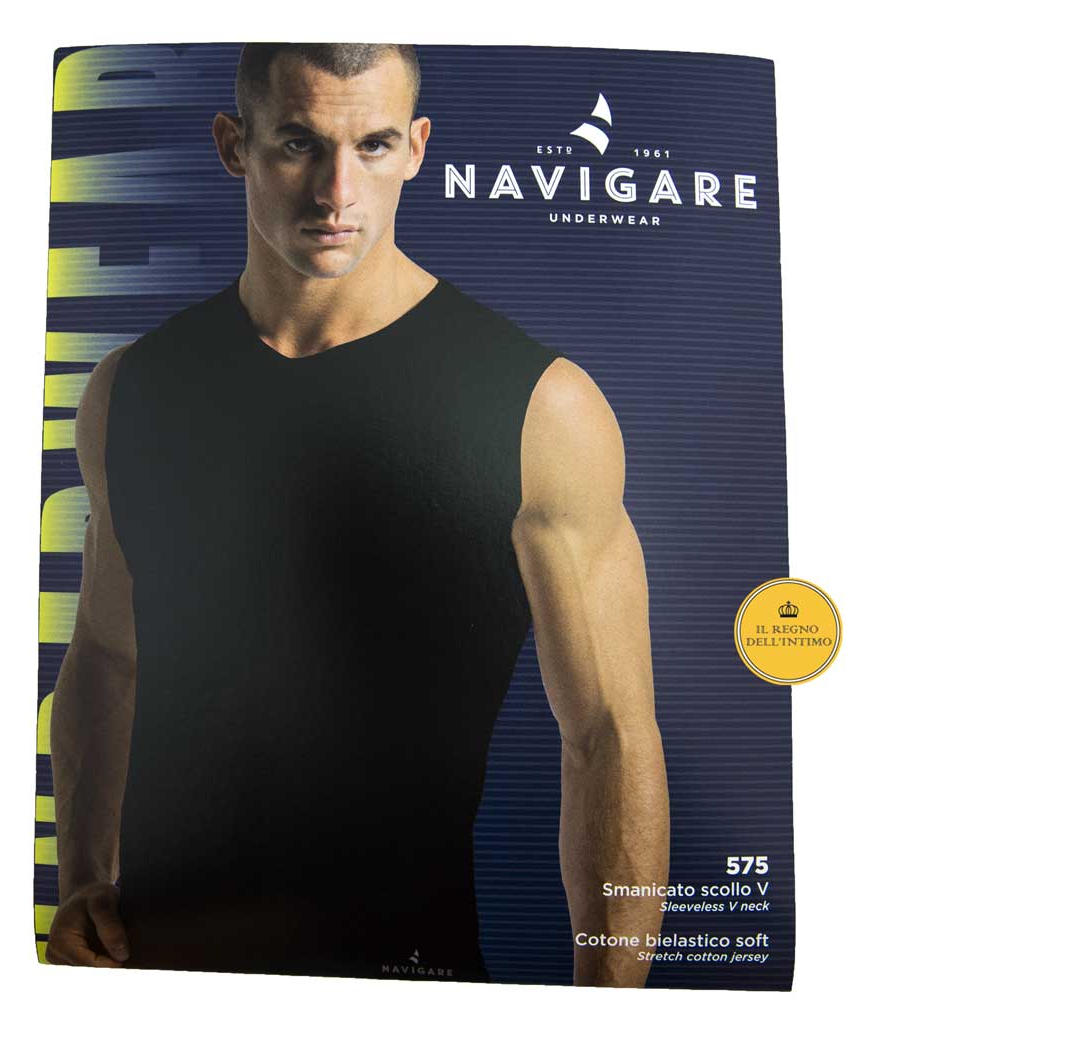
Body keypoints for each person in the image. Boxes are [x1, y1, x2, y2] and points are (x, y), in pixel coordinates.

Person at [45, 42, 669, 986]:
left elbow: (609, 734)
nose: (336, 192)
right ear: (234, 145)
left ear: (415, 148)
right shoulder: (131, 388)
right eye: (299, 143)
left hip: (407, 977)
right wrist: (86, 879)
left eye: (372, 145)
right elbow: (105, 654)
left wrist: (608, 1008)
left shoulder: (538, 406)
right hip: (161, 968)